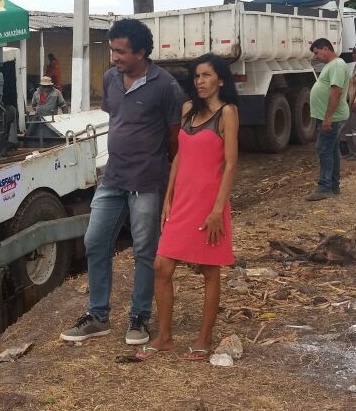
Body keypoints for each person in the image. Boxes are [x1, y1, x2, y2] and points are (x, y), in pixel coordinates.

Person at [61, 18, 184, 346]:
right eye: (112, 50)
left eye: (120, 51)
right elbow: (118, 119)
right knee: (95, 241)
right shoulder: (111, 79)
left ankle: (139, 318)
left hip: (147, 182)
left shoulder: (166, 86)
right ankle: (98, 316)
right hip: (112, 178)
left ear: (141, 52)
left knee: (144, 250)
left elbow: (175, 139)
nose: (114, 57)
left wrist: (171, 184)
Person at [136, 54, 239, 361]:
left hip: (210, 203)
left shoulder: (227, 112)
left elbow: (230, 164)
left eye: (207, 75)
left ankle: (204, 339)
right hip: (182, 201)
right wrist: (168, 198)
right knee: (161, 266)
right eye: (196, 76)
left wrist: (218, 210)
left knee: (209, 270)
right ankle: (165, 337)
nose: (200, 81)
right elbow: (180, 156)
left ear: (220, 79)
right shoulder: (187, 110)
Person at [307, 38, 350, 201]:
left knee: (324, 149)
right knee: (331, 150)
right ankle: (333, 186)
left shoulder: (337, 65)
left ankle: (325, 187)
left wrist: (328, 118)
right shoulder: (331, 65)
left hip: (333, 117)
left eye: (317, 52)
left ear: (326, 49)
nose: (316, 56)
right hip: (330, 117)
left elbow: (336, 91)